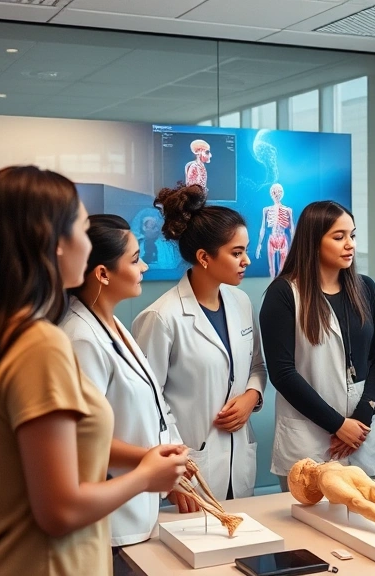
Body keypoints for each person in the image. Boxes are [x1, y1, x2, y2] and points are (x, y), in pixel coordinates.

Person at [0, 166, 187, 575]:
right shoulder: (39, 345)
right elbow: (59, 511)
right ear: (53, 243)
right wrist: (146, 476)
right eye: (81, 229)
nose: (88, 242)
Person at [133, 184, 265, 510]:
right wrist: (174, 469)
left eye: (246, 250)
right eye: (236, 253)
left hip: (239, 461)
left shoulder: (241, 302)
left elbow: (257, 367)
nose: (246, 260)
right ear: (205, 257)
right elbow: (147, 405)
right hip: (190, 469)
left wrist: (252, 396)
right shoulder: (161, 317)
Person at [61, 214, 180, 568]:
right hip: (111, 512)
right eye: (134, 259)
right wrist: (151, 463)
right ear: (102, 273)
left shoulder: (114, 325)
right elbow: (83, 438)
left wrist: (167, 462)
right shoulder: (81, 338)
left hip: (138, 505)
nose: (144, 266)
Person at [260, 200, 375, 489]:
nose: (349, 244)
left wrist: (362, 418)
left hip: (361, 431)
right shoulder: (284, 293)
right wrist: (338, 425)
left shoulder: (366, 288)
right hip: (310, 438)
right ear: (314, 242)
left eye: (352, 235)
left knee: (360, 520)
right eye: (338, 237)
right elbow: (283, 373)